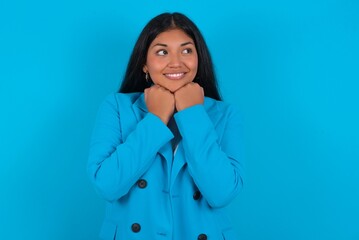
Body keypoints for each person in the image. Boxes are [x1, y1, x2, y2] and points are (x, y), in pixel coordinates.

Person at [87, 12, 244, 240]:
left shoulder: (225, 114)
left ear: (199, 60)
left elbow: (221, 193)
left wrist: (193, 114)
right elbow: (107, 185)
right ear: (144, 63)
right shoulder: (117, 107)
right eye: (162, 52)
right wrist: (156, 118)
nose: (176, 62)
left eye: (187, 50)